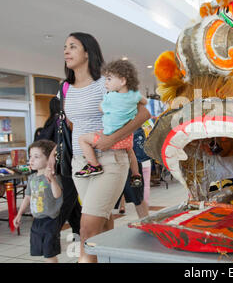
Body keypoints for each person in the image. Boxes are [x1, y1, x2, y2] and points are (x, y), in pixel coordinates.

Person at [46, 32, 150, 263]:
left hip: (110, 159)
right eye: (65, 47)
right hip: (80, 164)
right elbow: (71, 127)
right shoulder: (65, 89)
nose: (66, 51)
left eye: (73, 46)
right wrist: (54, 153)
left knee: (87, 230)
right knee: (101, 224)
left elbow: (144, 112)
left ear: (87, 52)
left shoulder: (106, 83)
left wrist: (112, 139)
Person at [74, 59, 147, 189]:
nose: (105, 83)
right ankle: (136, 174)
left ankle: (94, 165)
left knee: (83, 139)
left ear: (123, 81)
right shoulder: (134, 95)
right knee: (131, 153)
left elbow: (101, 108)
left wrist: (102, 104)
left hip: (108, 136)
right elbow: (144, 102)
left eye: (108, 79)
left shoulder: (111, 97)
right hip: (126, 137)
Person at [35, 97, 82, 238]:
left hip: (54, 168)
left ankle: (78, 232)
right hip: (65, 166)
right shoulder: (60, 122)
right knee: (66, 201)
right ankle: (51, 234)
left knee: (72, 202)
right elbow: (64, 143)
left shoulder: (48, 123)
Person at [14, 140, 63, 263]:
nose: (31, 160)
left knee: (49, 253)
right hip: (36, 221)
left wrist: (51, 179)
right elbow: (27, 197)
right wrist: (19, 214)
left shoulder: (54, 177)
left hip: (50, 221)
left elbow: (57, 195)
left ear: (49, 159)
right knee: (42, 251)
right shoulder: (32, 178)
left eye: (36, 157)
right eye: (30, 157)